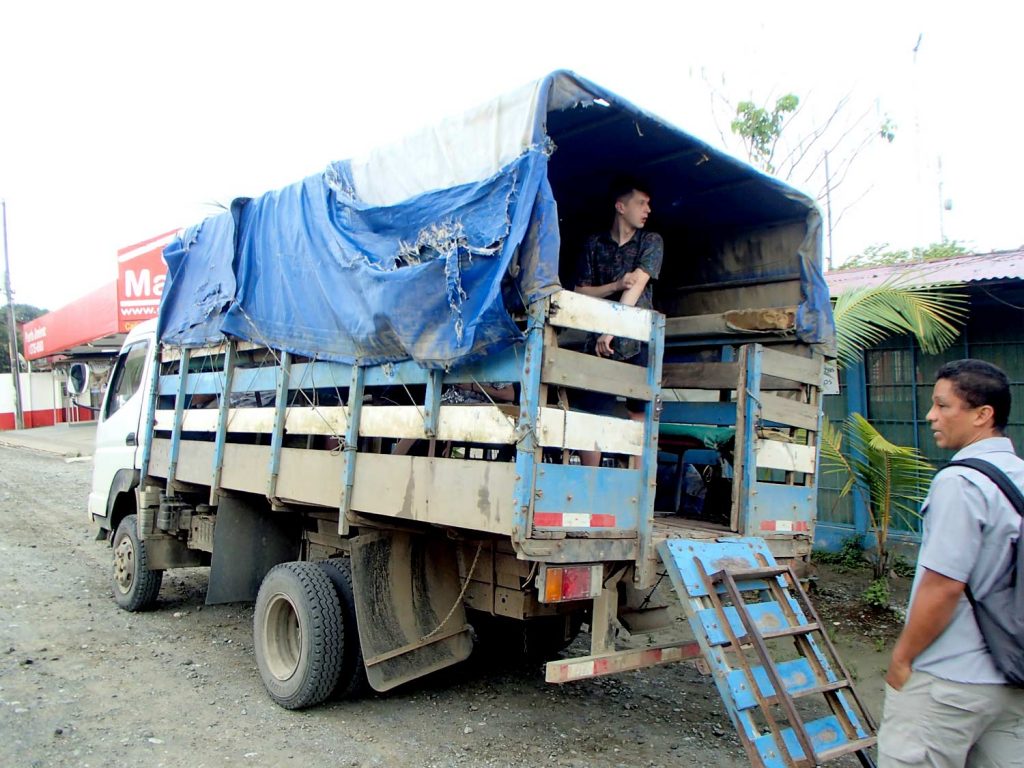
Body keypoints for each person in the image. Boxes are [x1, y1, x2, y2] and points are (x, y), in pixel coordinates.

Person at [878, 359, 1024, 767]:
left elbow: (943, 586)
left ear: (982, 415)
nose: (931, 416)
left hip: (950, 681)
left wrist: (903, 658)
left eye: (943, 406)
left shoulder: (961, 481)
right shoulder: (1019, 477)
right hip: (1013, 679)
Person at [573, 179, 663, 467]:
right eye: (641, 203)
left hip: (636, 339)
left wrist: (611, 329)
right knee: (593, 409)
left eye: (649, 204)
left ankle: (635, 486)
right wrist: (614, 284)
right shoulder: (594, 244)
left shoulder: (651, 242)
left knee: (639, 408)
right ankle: (591, 482)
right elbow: (580, 292)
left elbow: (635, 287)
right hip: (598, 341)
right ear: (620, 207)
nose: (647, 209)